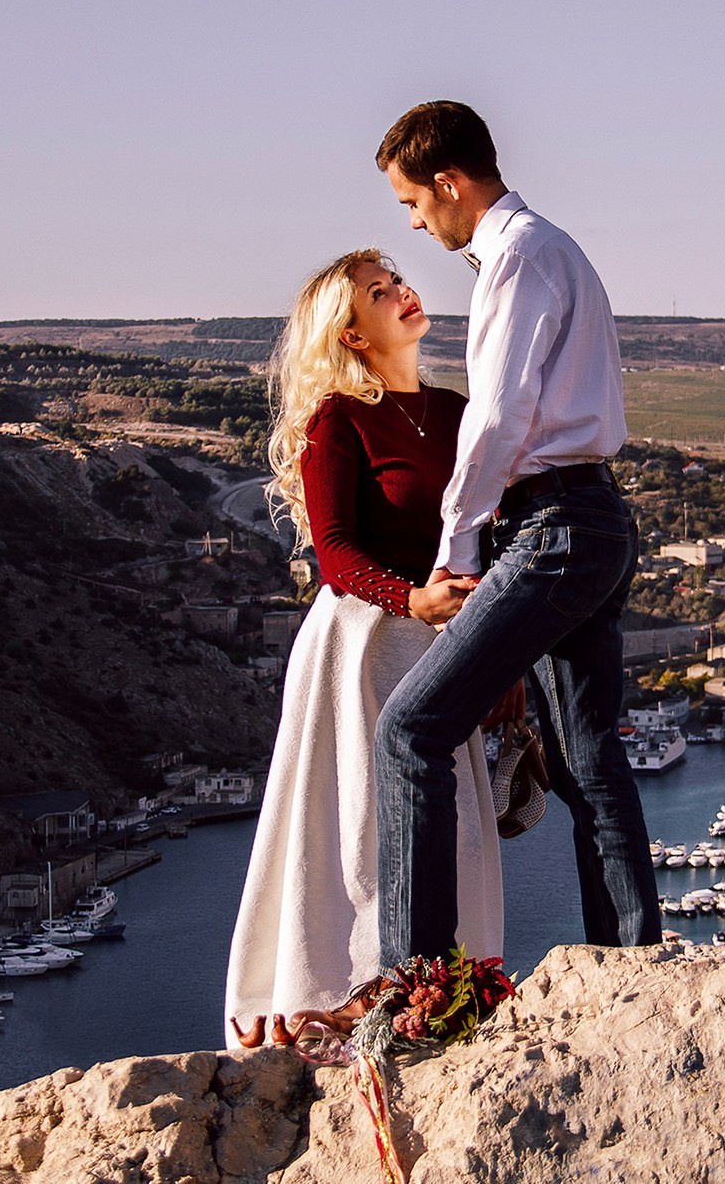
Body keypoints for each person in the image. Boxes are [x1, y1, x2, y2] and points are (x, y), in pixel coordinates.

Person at [372, 100, 662, 965]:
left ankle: (415, 981)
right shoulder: (553, 250)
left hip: (555, 526)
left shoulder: (518, 259)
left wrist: (455, 551)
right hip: (595, 518)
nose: (416, 223)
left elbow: (497, 420)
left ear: (449, 183)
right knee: (587, 762)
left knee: (410, 731)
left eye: (412, 204)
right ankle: (633, 964)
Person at [222, 248, 503, 1048]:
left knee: (449, 827)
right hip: (362, 645)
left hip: (444, 645)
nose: (405, 293)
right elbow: (335, 553)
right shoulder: (337, 421)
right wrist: (411, 598)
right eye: (381, 293)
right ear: (351, 334)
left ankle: (445, 988)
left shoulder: (456, 412)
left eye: (399, 281)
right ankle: (349, 996)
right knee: (358, 826)